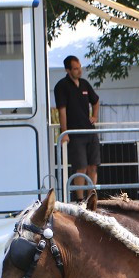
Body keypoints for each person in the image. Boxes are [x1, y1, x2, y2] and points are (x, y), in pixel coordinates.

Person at [54, 56, 101, 201]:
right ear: (68, 70)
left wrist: (94, 116)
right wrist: (65, 131)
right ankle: (80, 200)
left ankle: (91, 197)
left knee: (93, 165)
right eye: (75, 68)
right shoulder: (61, 86)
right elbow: (61, 110)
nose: (79, 70)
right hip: (75, 133)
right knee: (80, 167)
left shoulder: (85, 84)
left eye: (79, 67)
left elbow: (96, 100)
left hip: (89, 131)